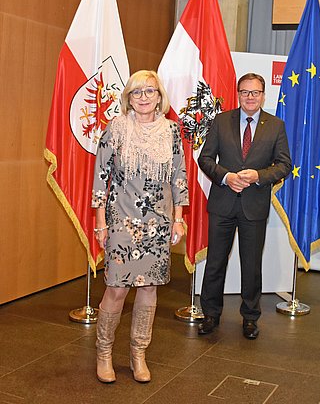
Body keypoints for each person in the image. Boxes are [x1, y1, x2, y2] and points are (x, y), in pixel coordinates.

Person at [91, 70, 189, 383]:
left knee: (148, 287)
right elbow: (100, 179)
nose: (144, 97)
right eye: (137, 92)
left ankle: (138, 353)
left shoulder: (171, 130)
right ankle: (104, 352)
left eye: (150, 91)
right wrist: (99, 223)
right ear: (128, 97)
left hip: (157, 223)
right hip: (120, 220)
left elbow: (178, 176)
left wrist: (178, 217)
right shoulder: (116, 128)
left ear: (160, 96)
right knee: (117, 287)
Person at [197, 72, 292, 339]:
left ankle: (250, 317)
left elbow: (285, 164)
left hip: (254, 205)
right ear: (237, 94)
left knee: (251, 265)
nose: (250, 97)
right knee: (215, 262)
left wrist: (258, 177)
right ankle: (210, 314)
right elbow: (205, 159)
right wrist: (226, 177)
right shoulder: (221, 121)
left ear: (263, 95)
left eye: (255, 92)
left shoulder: (276, 125)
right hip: (222, 203)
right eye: (244, 92)